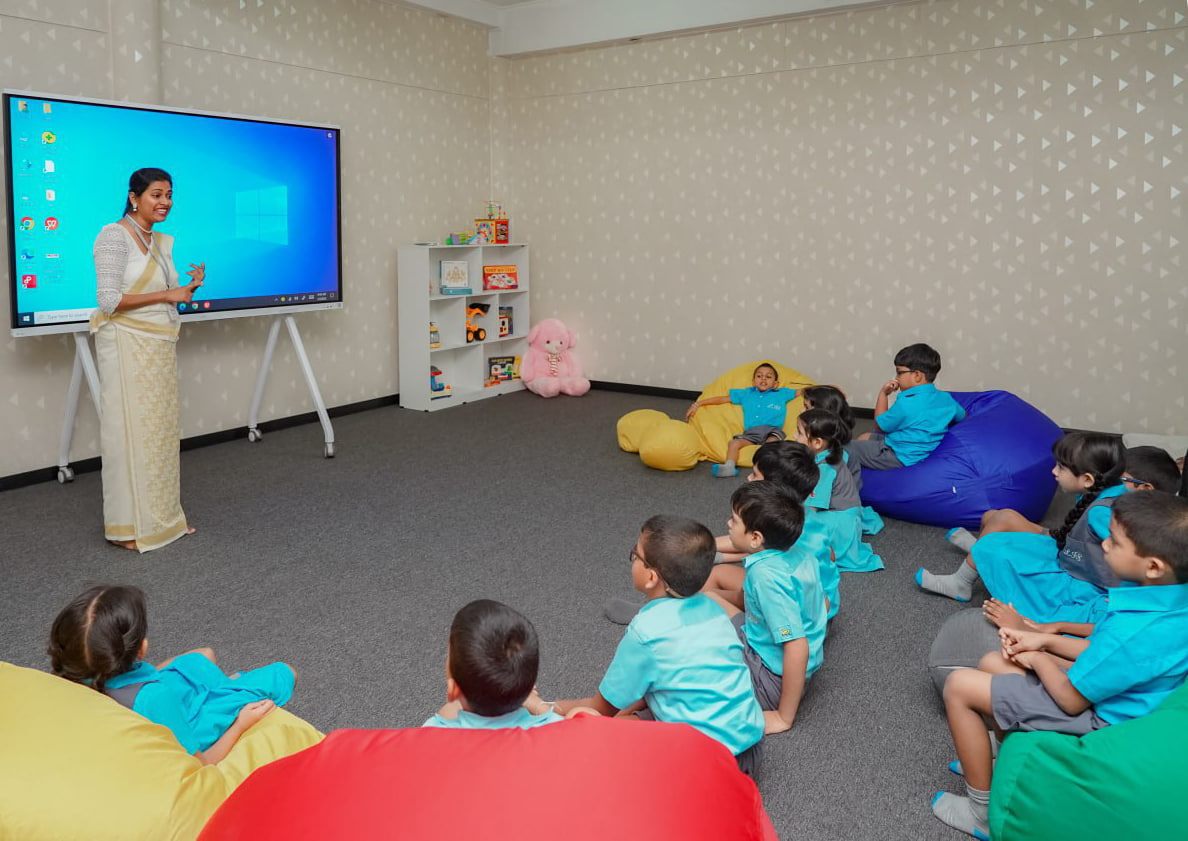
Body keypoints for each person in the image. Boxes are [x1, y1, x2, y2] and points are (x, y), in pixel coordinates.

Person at [929, 491, 1188, 839]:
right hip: (1123, 694)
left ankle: (981, 813)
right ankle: (1004, 769)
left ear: (1153, 566)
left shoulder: (1134, 631)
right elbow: (1105, 646)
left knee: (960, 686)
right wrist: (1047, 639)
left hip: (1105, 718)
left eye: (1116, 541)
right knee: (993, 660)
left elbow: (1071, 699)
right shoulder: (1167, 599)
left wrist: (1037, 656)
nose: (1105, 544)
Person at [552, 516, 765, 774]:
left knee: (591, 728)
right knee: (642, 700)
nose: (632, 560)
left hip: (707, 767)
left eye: (635, 554)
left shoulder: (646, 631)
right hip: (749, 753)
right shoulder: (713, 608)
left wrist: (550, 708)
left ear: (651, 577)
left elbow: (600, 709)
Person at [48, 584, 295, 765]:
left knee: (203, 655)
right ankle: (225, 690)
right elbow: (201, 764)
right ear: (141, 648)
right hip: (185, 721)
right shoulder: (155, 697)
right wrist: (241, 724)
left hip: (146, 697)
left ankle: (223, 685)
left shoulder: (75, 677)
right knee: (284, 673)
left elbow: (149, 680)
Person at [91, 168, 205, 552]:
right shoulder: (112, 236)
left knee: (159, 436)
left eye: (169, 194)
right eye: (156, 194)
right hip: (125, 345)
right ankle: (126, 528)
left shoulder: (158, 243)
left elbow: (170, 295)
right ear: (134, 197)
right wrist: (166, 296)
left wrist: (186, 289)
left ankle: (163, 520)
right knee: (128, 434)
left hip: (158, 348)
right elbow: (108, 301)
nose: (165, 202)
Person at [918, 432, 1126, 614]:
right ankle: (978, 554)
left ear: (1088, 479)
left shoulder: (1102, 513)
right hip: (1067, 545)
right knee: (995, 516)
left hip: (1077, 573)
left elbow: (1131, 553)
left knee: (995, 537)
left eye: (1061, 468)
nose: (1054, 471)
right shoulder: (1102, 491)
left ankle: (962, 581)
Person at [709, 482, 827, 734]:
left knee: (689, 663)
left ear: (755, 538)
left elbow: (796, 645)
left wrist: (783, 718)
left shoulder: (766, 577)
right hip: (762, 642)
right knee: (707, 599)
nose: (728, 523)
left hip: (770, 677)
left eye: (734, 520)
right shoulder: (796, 552)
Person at [702, 441, 840, 621]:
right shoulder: (805, 518)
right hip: (823, 606)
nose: (749, 479)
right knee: (718, 575)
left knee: (706, 593)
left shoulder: (776, 551)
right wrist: (704, 546)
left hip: (796, 616)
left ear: (773, 488)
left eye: (754, 475)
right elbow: (830, 555)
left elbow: (745, 546)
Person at [423, 599, 562, 730]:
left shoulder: (433, 731)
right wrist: (537, 705)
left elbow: (446, 715)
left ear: (453, 690)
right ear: (531, 686)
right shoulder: (557, 727)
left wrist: (449, 707)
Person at [846, 343, 965, 471]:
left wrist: (883, 394)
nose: (896, 378)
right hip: (916, 449)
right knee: (865, 436)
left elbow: (879, 426)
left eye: (899, 373)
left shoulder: (905, 404)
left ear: (917, 375)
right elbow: (962, 416)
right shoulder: (946, 399)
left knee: (844, 448)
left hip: (898, 456)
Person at [796, 409, 883, 573]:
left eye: (799, 433)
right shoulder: (828, 455)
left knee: (796, 531)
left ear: (817, 443)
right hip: (845, 514)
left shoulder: (824, 469)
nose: (795, 436)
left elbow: (812, 509)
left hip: (840, 522)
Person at [686, 362, 798, 478]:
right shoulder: (747, 393)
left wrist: (817, 388)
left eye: (768, 377)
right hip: (751, 432)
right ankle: (729, 467)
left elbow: (803, 391)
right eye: (759, 376)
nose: (763, 378)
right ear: (753, 381)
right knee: (734, 443)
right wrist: (698, 403)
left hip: (772, 430)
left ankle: (767, 469)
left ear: (775, 384)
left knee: (772, 444)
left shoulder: (782, 393)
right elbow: (722, 399)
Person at [802, 384, 884, 535]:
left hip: (835, 506)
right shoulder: (825, 444)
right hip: (824, 496)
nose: (803, 412)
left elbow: (825, 491)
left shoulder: (836, 454)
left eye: (807, 408)